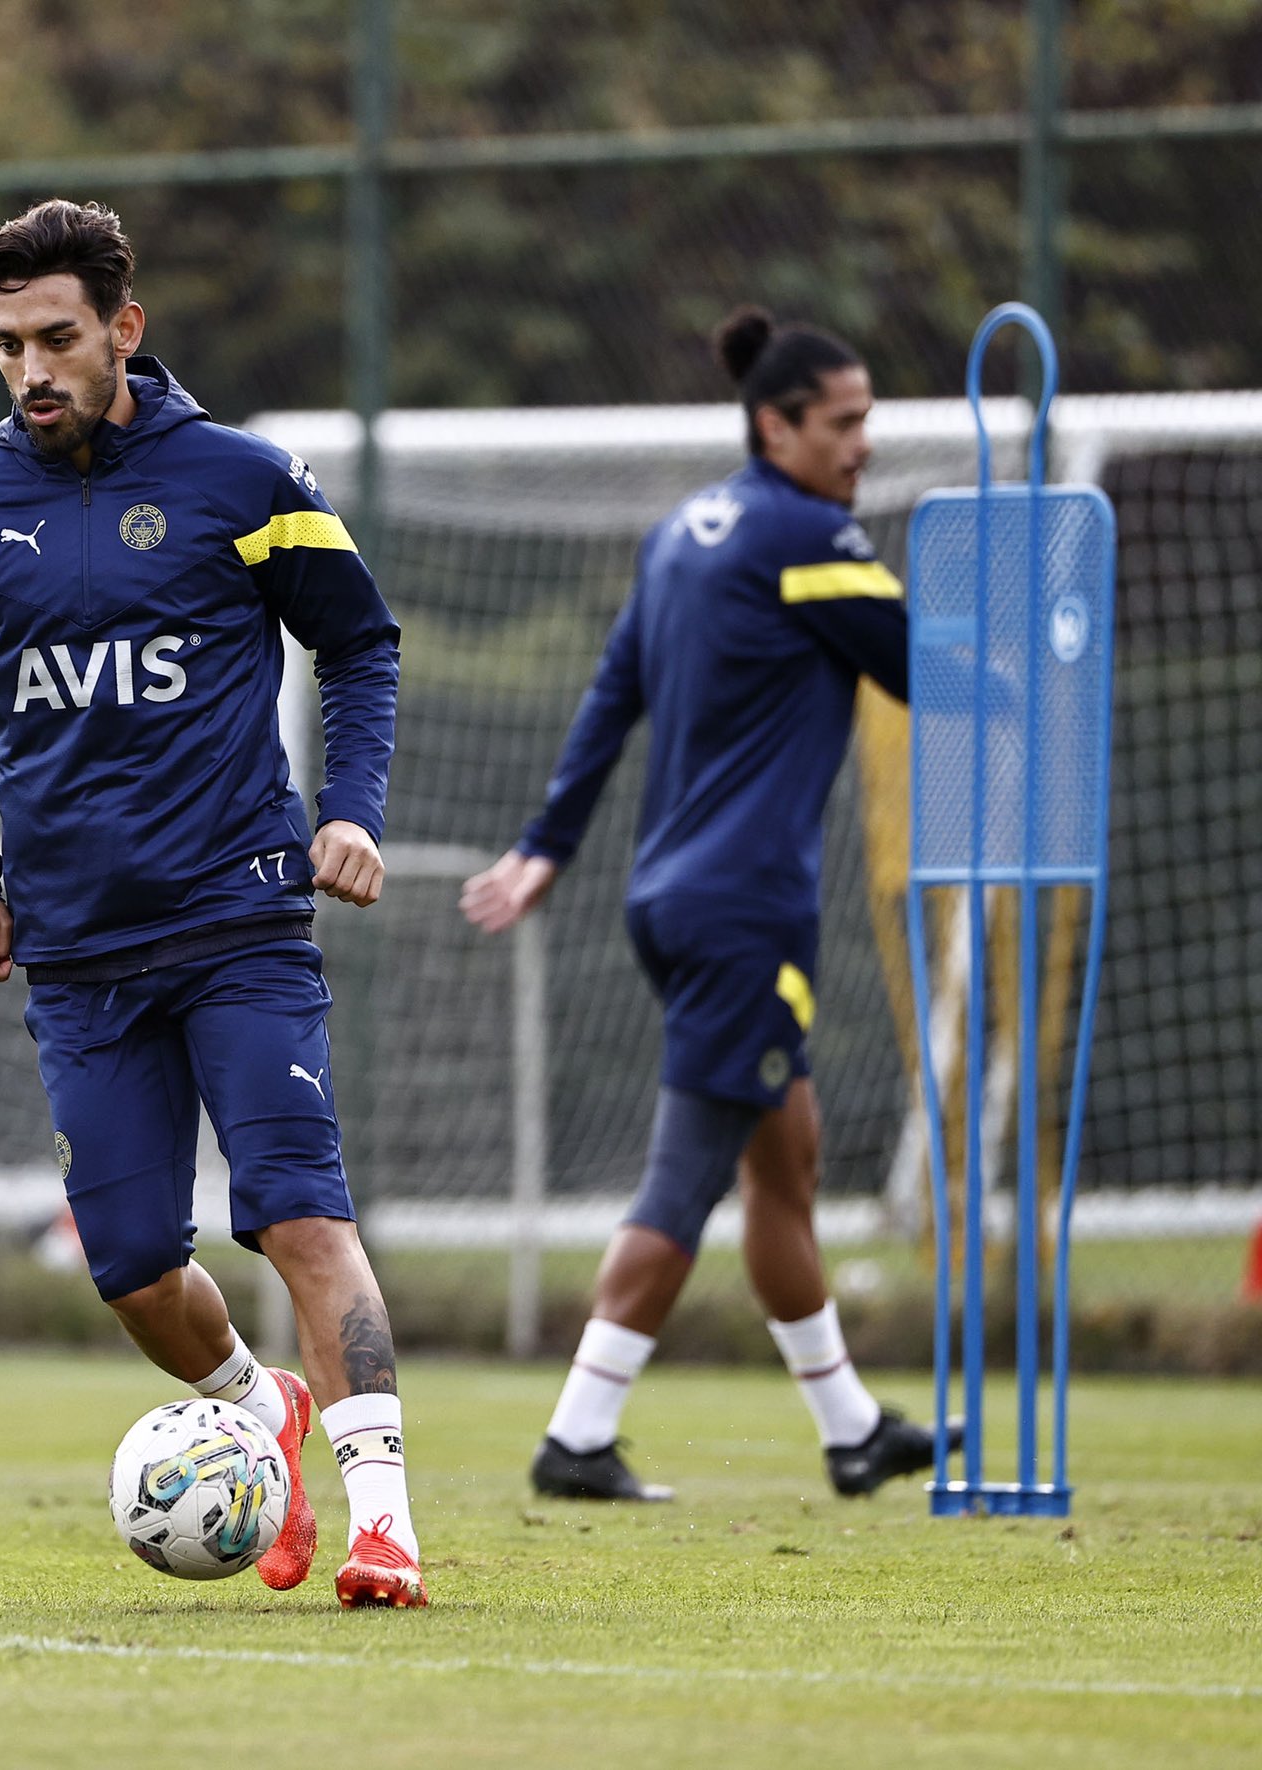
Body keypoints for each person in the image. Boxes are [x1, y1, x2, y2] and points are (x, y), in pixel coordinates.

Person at [0, 198, 426, 1606]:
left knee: (303, 1216)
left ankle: (385, 1524)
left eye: (57, 336)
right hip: (75, 954)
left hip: (243, 923)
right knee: (133, 1265)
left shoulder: (245, 481)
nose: (31, 369)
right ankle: (266, 1413)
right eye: (7, 344)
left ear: (124, 328)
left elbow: (361, 644)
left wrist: (350, 811)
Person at [460, 306, 961, 1503]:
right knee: (685, 1178)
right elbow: (938, 677)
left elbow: (608, 695)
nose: (862, 447)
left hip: (670, 895)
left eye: (864, 424)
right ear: (773, 424)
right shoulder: (806, 538)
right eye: (842, 425)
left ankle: (849, 1431)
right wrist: (1051, 646)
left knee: (782, 1161)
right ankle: (576, 1436)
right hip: (742, 911)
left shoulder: (683, 534)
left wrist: (547, 845)